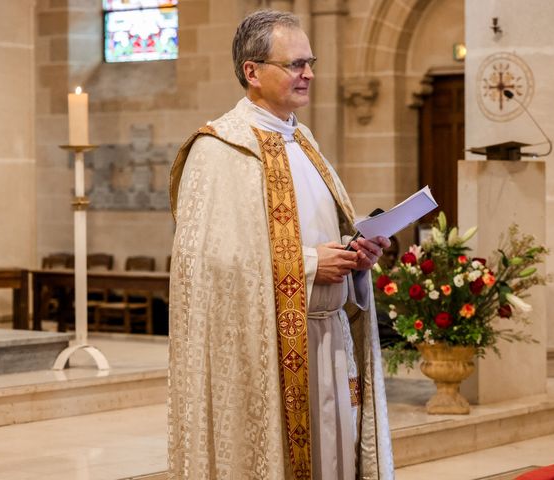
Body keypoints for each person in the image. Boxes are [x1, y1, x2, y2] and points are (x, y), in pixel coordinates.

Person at [168, 10, 394, 480]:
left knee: (336, 458)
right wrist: (310, 264)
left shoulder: (305, 142)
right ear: (252, 72)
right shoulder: (218, 149)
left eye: (309, 62)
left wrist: (355, 256)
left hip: (330, 338)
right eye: (295, 64)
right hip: (267, 352)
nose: (308, 73)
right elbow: (208, 267)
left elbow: (322, 234)